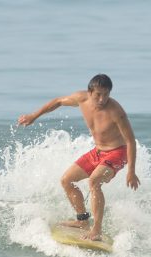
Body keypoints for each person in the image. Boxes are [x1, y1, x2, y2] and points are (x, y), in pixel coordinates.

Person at [17, 74, 140, 241]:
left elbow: (130, 141)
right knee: (67, 180)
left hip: (117, 153)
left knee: (94, 182)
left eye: (106, 94)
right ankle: (82, 220)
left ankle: (96, 230)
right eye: (98, 94)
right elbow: (58, 101)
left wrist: (131, 171)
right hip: (97, 152)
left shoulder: (116, 112)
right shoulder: (81, 99)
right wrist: (33, 116)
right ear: (90, 92)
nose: (102, 99)